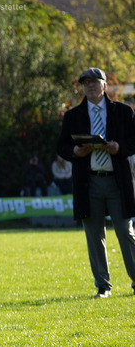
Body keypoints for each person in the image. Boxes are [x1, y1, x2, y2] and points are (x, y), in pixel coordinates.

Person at [57, 67, 135, 298]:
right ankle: (103, 286)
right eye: (85, 82)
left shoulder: (123, 111)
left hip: (117, 182)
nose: (90, 86)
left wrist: (120, 148)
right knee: (94, 235)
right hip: (88, 183)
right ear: (82, 87)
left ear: (105, 85)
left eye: (95, 81)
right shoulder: (73, 116)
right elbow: (61, 146)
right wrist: (75, 151)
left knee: (125, 231)